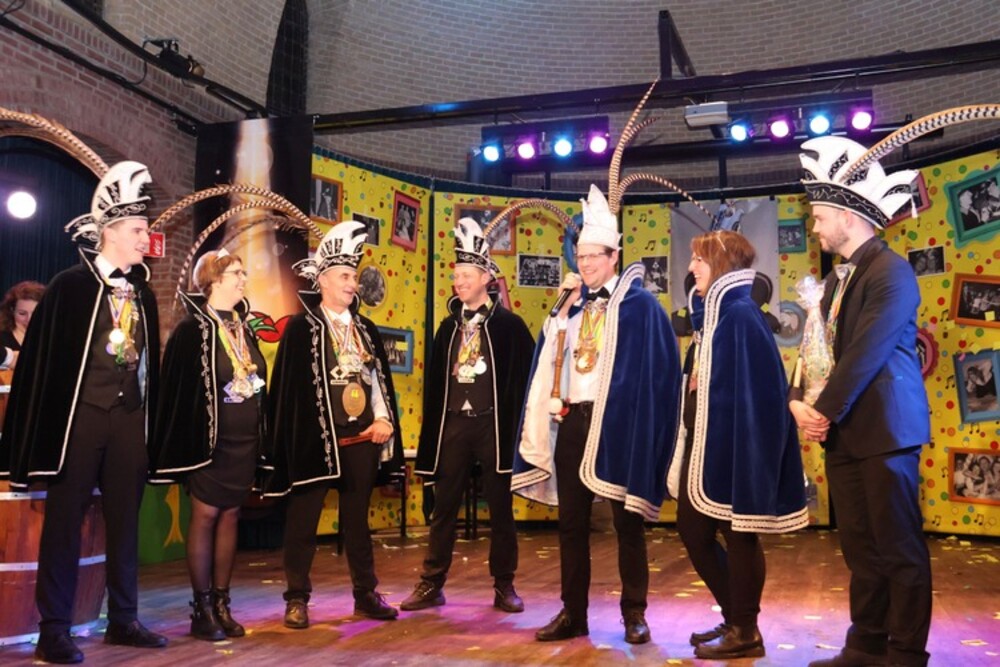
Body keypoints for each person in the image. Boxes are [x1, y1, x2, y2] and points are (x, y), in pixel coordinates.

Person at [0, 161, 167, 664]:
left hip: (127, 419)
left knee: (125, 522)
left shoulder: (142, 292)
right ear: (111, 231)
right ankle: (53, 629)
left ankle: (123, 619)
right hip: (79, 419)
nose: (145, 239)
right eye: (138, 230)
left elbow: (148, 366)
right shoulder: (69, 286)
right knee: (64, 522)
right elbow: (42, 366)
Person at [513, 185, 682, 645]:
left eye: (593, 257)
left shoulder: (640, 306)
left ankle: (634, 613)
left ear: (614, 256)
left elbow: (660, 373)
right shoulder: (570, 306)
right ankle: (574, 613)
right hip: (572, 422)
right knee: (571, 525)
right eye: (580, 256)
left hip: (617, 426)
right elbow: (549, 361)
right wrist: (560, 312)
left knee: (627, 522)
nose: (585, 264)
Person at [794, 136, 932, 667]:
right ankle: (866, 645)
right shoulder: (836, 280)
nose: (815, 227)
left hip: (885, 431)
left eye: (819, 217)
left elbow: (867, 352)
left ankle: (905, 654)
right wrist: (795, 399)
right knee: (858, 547)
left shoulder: (891, 271)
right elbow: (815, 350)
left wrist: (821, 411)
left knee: (898, 548)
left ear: (848, 216)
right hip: (846, 431)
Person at [667, 230, 809, 660]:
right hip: (706, 442)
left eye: (699, 259)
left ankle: (745, 628)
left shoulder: (741, 315)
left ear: (721, 263)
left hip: (733, 444)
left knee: (739, 533)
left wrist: (749, 452)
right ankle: (736, 617)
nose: (692, 267)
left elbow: (758, 391)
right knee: (694, 530)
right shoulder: (714, 315)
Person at [266, 220, 404, 628]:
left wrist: (383, 418)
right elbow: (287, 395)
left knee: (357, 521)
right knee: (303, 522)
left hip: (362, 439)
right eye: (344, 276)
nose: (352, 284)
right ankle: (296, 598)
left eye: (354, 277)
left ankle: (366, 594)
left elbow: (376, 380)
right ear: (323, 279)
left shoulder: (365, 329)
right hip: (317, 441)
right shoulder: (301, 328)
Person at [401, 218, 535, 613]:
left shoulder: (509, 327)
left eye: (466, 275)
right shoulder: (447, 328)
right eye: (456, 274)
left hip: (493, 425)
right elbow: (435, 385)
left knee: (500, 508)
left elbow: (528, 378)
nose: (458, 281)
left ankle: (505, 585)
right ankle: (431, 582)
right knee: (444, 506)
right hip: (454, 425)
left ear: (485, 278)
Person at [149, 250, 268, 641]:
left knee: (231, 514)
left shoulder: (243, 328)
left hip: (243, 442)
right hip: (209, 442)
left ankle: (221, 604)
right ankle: (201, 610)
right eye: (236, 272)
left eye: (243, 272)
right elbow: (178, 392)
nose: (243, 278)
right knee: (205, 515)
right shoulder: (192, 329)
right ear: (214, 279)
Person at [0, 280, 45, 370]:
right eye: (22, 313)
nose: (29, 319)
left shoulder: (52, 338)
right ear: (12, 311)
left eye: (35, 313)